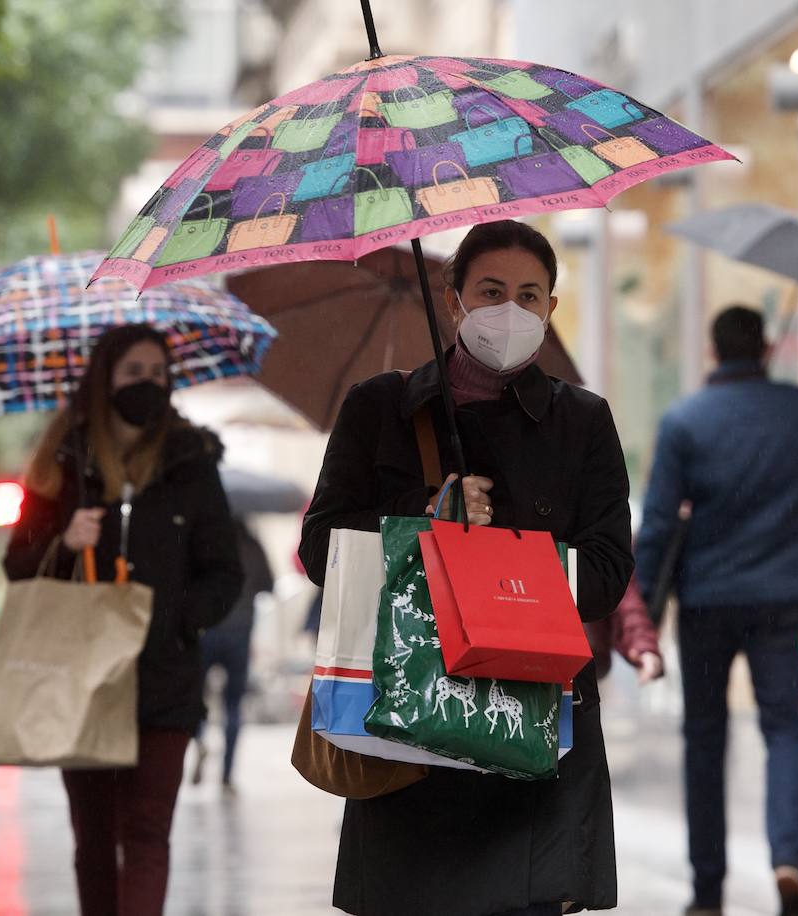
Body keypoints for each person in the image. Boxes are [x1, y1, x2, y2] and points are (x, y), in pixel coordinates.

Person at [299, 219, 634, 916]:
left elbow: (605, 572)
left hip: (538, 726)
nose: (510, 310)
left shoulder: (584, 422)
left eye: (529, 295)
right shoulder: (379, 409)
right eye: (491, 290)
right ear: (453, 298)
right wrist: (427, 522)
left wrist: (507, 568)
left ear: (550, 310)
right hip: (407, 725)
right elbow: (321, 548)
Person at [4, 324, 243, 916]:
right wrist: (64, 538)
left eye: (159, 375)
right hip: (82, 678)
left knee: (145, 833)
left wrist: (178, 621)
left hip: (165, 678)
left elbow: (224, 571)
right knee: (92, 841)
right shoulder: (67, 461)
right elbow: (17, 564)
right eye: (134, 373)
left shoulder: (193, 461)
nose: (149, 385)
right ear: (105, 378)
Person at [634, 305, 798, 916]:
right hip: (781, 597)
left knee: (704, 739)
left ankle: (708, 888)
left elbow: (654, 526)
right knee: (784, 727)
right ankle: (787, 861)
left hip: (706, 602)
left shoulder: (684, 421)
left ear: (712, 349)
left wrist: (640, 612)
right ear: (766, 348)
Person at [193, 517, 274, 794]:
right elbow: (268, 585)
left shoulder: (206, 542)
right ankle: (227, 773)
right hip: (239, 633)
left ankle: (200, 740)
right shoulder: (252, 546)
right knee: (233, 704)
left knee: (195, 698)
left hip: (207, 630)